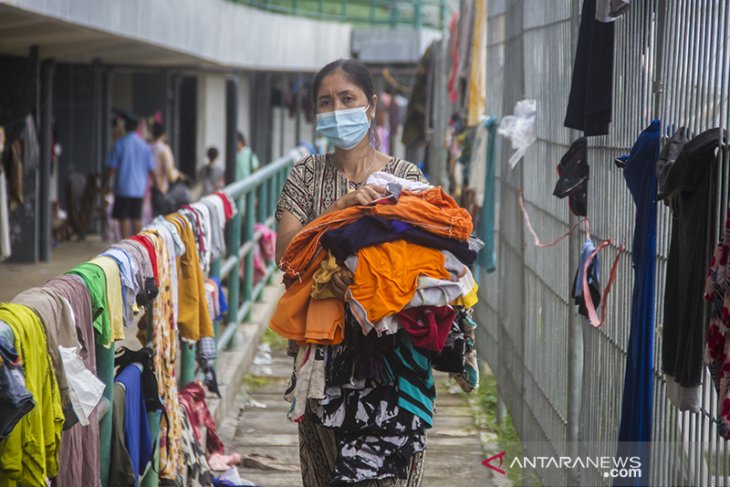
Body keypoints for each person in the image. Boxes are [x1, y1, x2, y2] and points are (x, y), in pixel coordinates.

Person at [275, 58, 429, 486]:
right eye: (326, 102)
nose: (337, 109)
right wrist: (341, 209)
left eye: (348, 99)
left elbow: (423, 266)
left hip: (392, 364)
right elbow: (286, 253)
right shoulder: (305, 177)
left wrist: (363, 279)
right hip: (321, 360)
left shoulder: (405, 179)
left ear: (372, 106)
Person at [103, 112, 154, 239]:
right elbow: (151, 170)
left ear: (125, 127)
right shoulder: (145, 146)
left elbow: (111, 168)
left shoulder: (119, 144)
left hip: (123, 188)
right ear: (137, 128)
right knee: (136, 217)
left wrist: (105, 184)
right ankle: (138, 244)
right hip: (138, 189)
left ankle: (125, 245)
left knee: (123, 217)